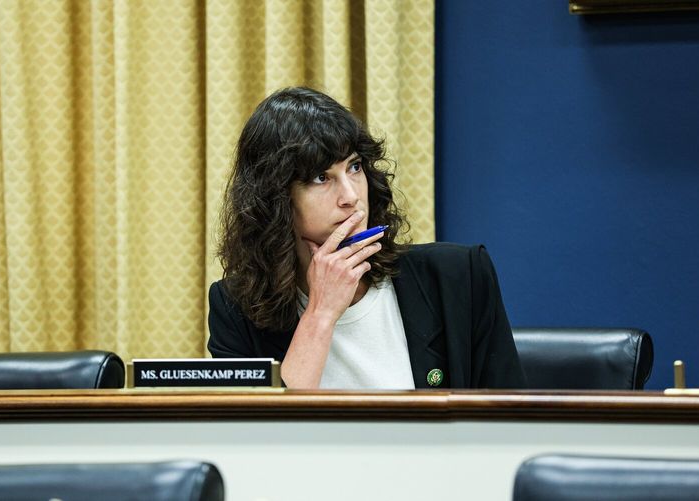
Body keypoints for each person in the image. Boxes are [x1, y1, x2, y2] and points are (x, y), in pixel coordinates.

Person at [208, 87, 526, 390]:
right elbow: (263, 439)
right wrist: (320, 314)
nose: (351, 196)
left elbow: (510, 427)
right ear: (276, 198)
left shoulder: (460, 276)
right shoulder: (235, 309)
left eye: (355, 167)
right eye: (322, 178)